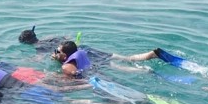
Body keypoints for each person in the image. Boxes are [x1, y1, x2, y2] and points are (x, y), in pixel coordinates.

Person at [19, 26, 162, 71]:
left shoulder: (39, 48)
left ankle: (142, 71)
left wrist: (27, 61)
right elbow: (67, 37)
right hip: (84, 49)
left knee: (112, 66)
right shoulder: (52, 38)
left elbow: (38, 59)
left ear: (27, 43)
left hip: (80, 56)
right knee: (125, 58)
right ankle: (149, 55)